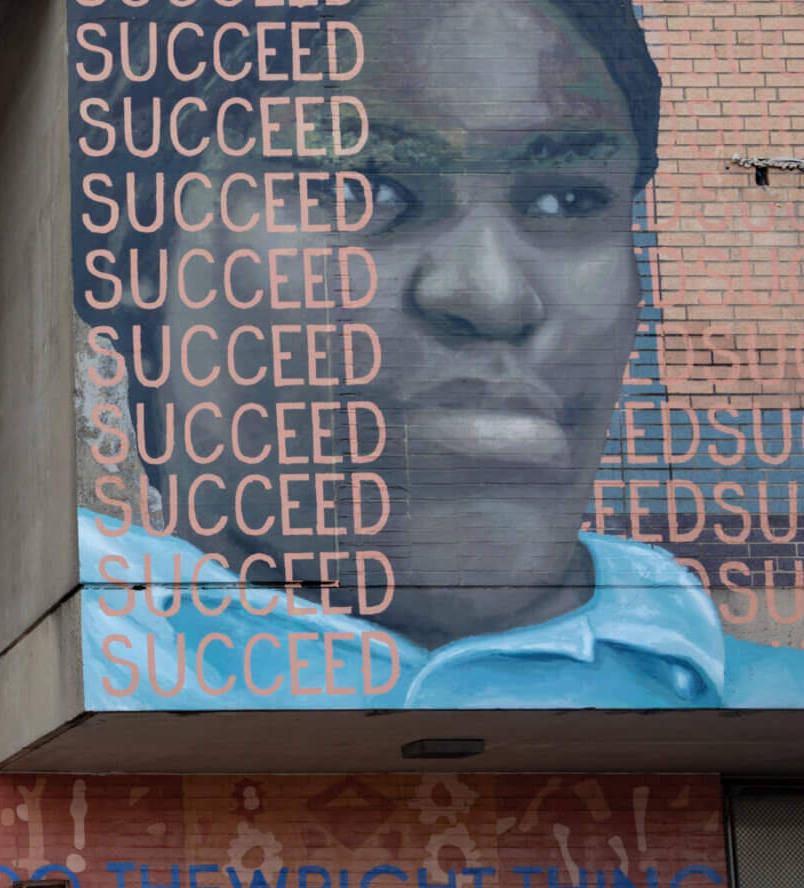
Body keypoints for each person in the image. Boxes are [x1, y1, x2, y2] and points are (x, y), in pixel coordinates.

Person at [73, 0, 804, 708]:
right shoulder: (66, 656)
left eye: (568, 201)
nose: (492, 295)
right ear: (137, 242)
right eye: (362, 188)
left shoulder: (760, 700)